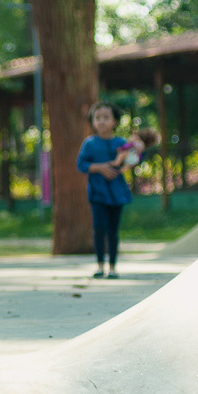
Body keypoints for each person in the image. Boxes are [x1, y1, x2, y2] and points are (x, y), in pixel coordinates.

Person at [76, 101, 132, 279]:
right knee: (99, 229)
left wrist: (129, 159)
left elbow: (134, 159)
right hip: (98, 194)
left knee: (113, 231)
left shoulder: (121, 143)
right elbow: (81, 165)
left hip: (117, 194)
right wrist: (101, 168)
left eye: (106, 117)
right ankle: (100, 266)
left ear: (114, 121)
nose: (101, 121)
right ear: (92, 121)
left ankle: (113, 267)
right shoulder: (89, 143)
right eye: (97, 118)